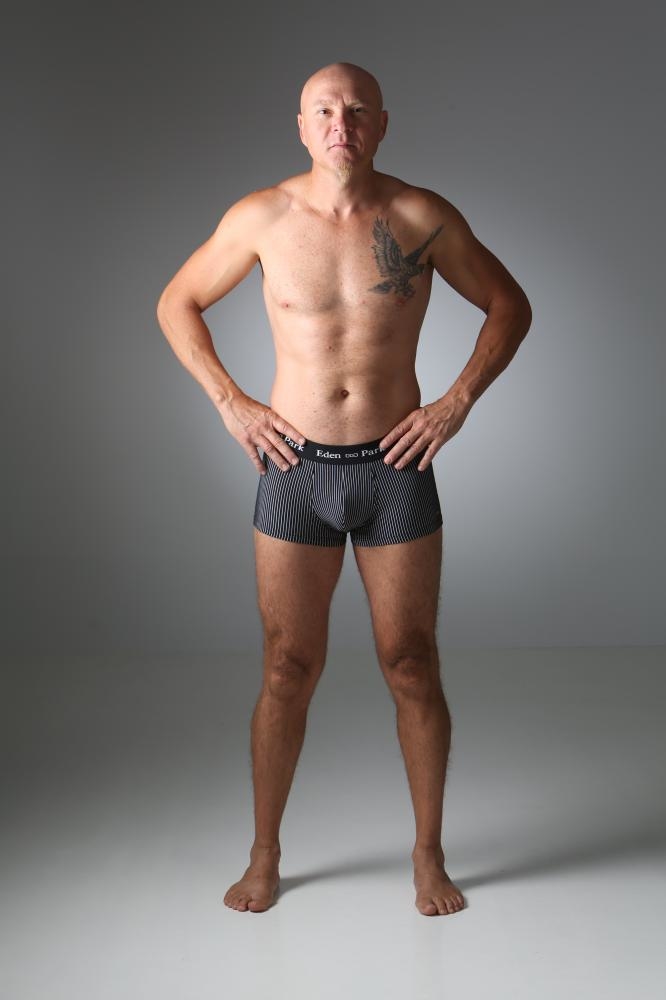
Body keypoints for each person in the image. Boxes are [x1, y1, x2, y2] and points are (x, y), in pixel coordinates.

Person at [156, 61, 532, 917]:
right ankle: (264, 855)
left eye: (357, 110)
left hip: (395, 469)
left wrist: (455, 403)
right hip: (294, 470)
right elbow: (177, 302)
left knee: (412, 662)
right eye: (324, 111)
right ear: (301, 126)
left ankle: (428, 856)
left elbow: (509, 305)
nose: (341, 124)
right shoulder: (261, 217)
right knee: (287, 667)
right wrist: (231, 403)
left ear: (382, 124)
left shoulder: (422, 216)